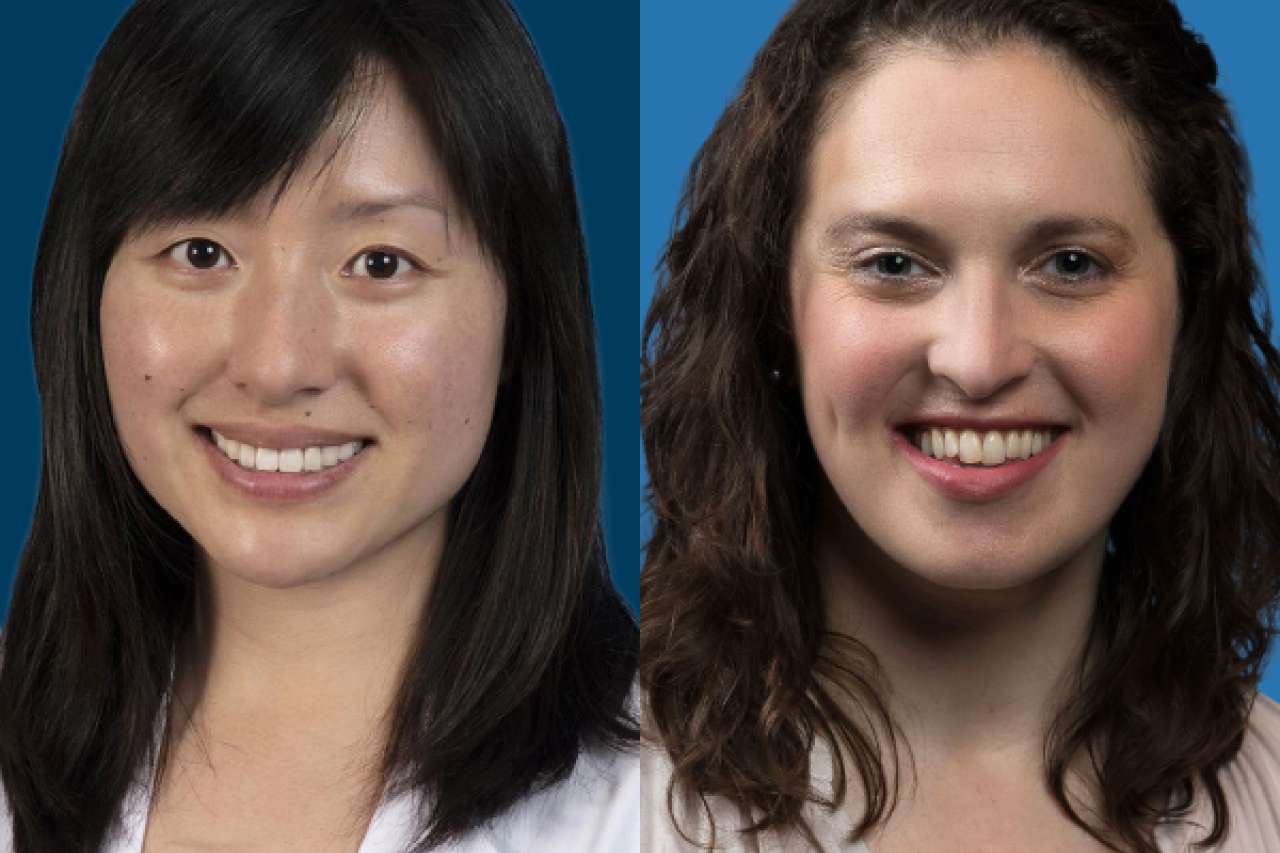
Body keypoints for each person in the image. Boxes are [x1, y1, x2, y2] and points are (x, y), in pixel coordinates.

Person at [640, 1, 1280, 851]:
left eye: (1070, 263)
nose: (978, 361)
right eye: (894, 264)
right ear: (774, 314)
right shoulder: (583, 799)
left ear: (1187, 311)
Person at [0, 1, 638, 851]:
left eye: (380, 263)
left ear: (523, 317)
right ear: (81, 292)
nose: (277, 363)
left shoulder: (682, 798)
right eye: (201, 253)